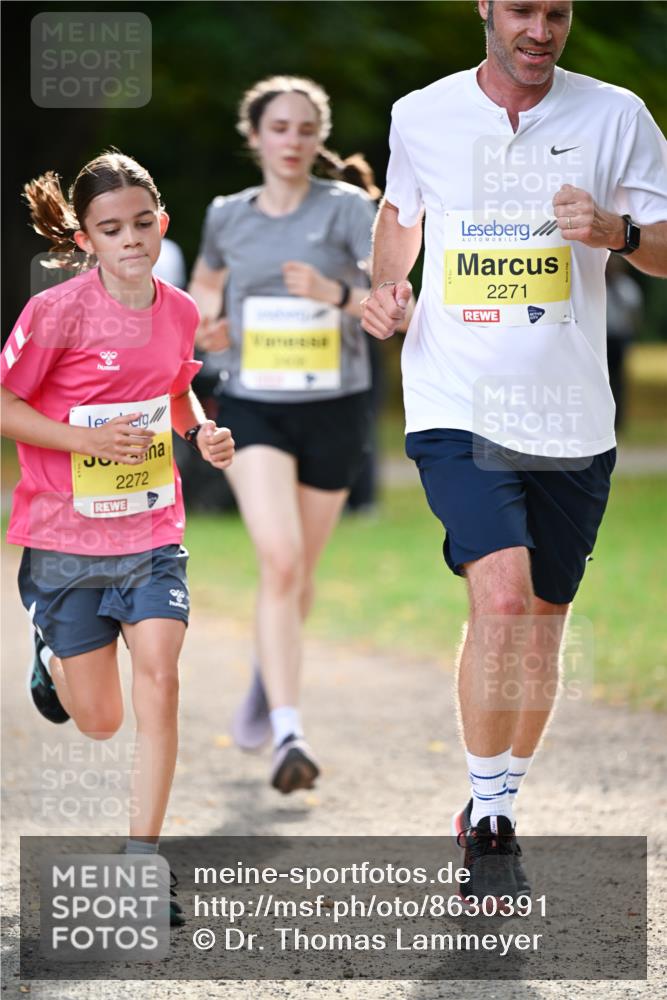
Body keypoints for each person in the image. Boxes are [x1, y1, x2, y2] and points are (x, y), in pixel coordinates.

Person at [362, 0, 667, 901]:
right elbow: (398, 212)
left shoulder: (615, 115)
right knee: (498, 596)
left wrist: (617, 234)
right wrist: (386, 286)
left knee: (540, 620)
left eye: (558, 13)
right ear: (485, 10)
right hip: (455, 399)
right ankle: (489, 822)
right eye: (523, 10)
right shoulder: (420, 113)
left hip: (571, 415)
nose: (540, 30)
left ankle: (496, 797)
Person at [0, 151, 235, 923]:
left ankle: (144, 861)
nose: (130, 239)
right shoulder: (55, 314)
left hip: (151, 533)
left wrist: (200, 431)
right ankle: (51, 658)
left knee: (161, 678)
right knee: (99, 721)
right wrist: (84, 443)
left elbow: (174, 389)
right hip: (66, 541)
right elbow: (5, 406)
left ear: (161, 224)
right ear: (85, 238)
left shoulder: (178, 310)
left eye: (141, 223)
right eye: (111, 229)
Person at [188, 75, 379, 794]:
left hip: (335, 404)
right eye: (279, 128)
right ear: (254, 135)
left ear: (317, 137)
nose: (292, 141)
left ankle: (267, 682)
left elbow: (394, 303)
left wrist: (331, 295)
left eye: (305, 128)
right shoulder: (227, 215)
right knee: (280, 557)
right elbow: (204, 291)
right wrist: (207, 324)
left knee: (300, 570)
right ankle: (289, 731)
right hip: (251, 403)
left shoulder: (351, 210)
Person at [605, 254, 643, 431]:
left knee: (618, 381)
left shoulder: (627, 287)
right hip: (602, 338)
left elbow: (635, 315)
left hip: (619, 338)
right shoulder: (596, 286)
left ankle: (618, 421)